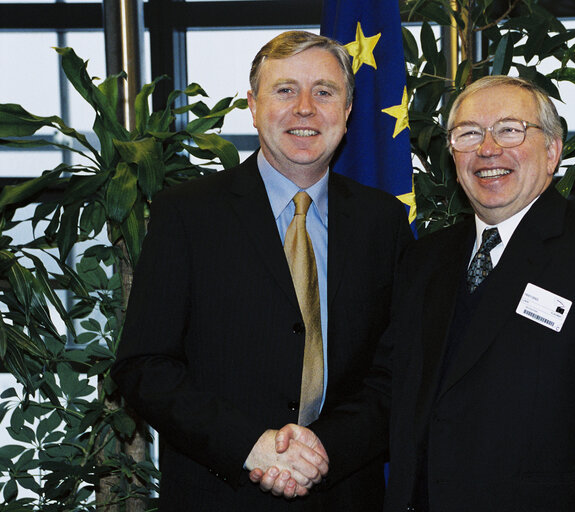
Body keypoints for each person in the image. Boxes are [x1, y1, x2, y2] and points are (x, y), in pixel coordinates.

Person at [257, 75, 575, 511]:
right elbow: (391, 392)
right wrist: (319, 446)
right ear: (453, 155)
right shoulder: (428, 260)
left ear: (553, 151)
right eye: (469, 134)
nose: (488, 149)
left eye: (510, 130)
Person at [112, 30, 411, 511]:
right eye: (285, 90)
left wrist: (326, 448)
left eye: (325, 92)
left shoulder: (384, 223)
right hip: (219, 492)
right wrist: (248, 445)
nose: (306, 108)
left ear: (348, 111)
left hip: (345, 493)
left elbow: (397, 370)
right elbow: (144, 365)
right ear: (253, 105)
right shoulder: (187, 214)